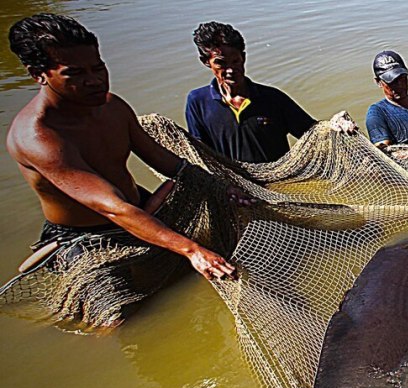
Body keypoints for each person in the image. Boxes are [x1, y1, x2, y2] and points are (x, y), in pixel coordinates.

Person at [6, 13, 248, 281]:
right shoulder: (37, 136)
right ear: (38, 74)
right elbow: (113, 208)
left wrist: (221, 187)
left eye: (98, 68)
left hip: (144, 207)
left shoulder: (113, 106)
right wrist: (192, 250)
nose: (95, 81)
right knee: (113, 319)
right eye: (75, 73)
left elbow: (168, 163)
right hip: (90, 236)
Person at [185, 22, 317, 163]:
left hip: (279, 181)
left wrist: (334, 126)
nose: (230, 70)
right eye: (221, 63)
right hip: (230, 184)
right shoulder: (197, 102)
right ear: (206, 62)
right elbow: (200, 152)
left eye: (235, 61)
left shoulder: (273, 98)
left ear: (243, 58)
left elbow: (313, 133)